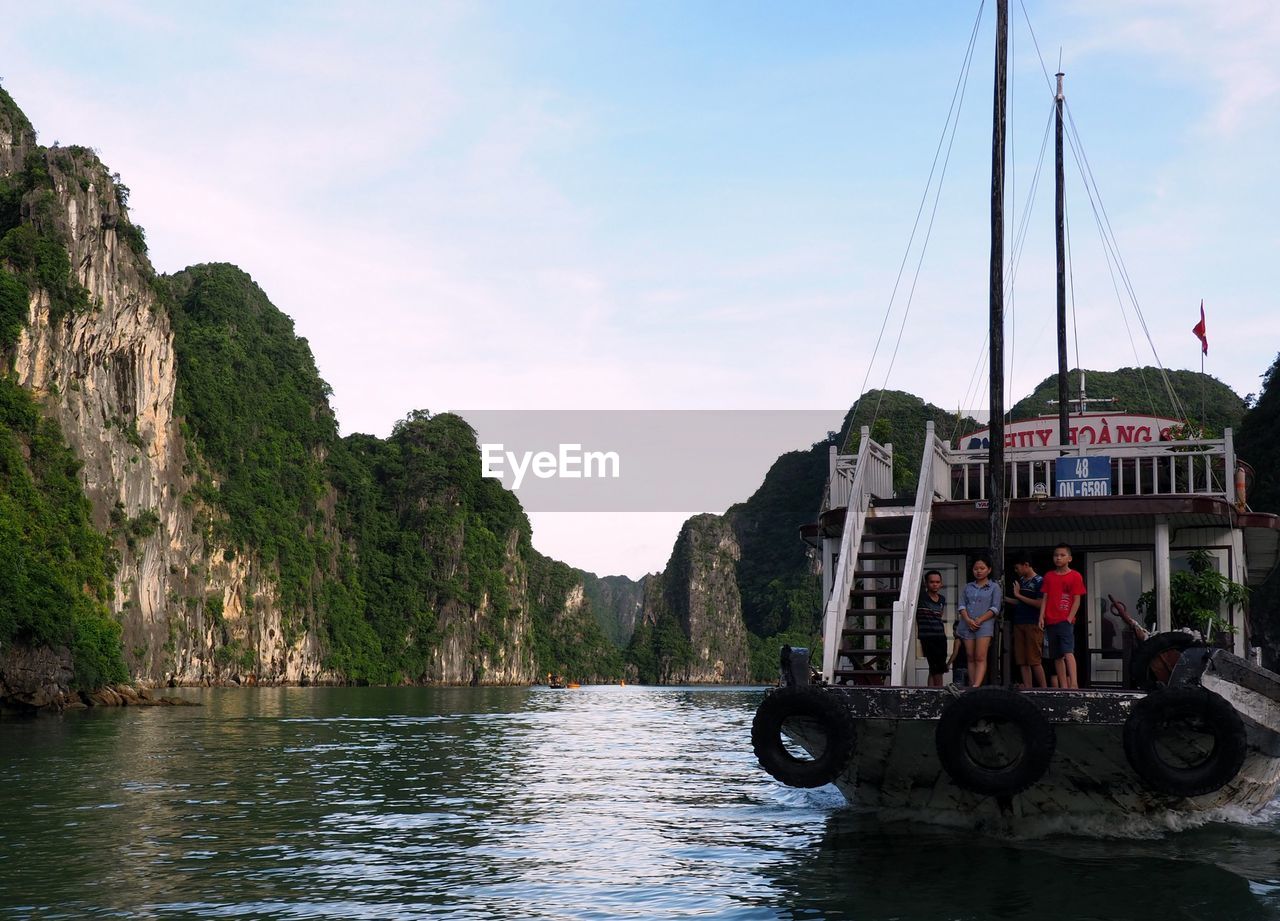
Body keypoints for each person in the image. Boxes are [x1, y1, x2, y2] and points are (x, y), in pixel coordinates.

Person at [1040, 543, 1086, 689]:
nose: (1058, 558)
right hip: (1050, 619)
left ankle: (1074, 683)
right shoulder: (1048, 576)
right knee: (1056, 655)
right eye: (1056, 555)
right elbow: (1045, 597)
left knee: (1068, 651)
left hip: (1065, 620)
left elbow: (1077, 599)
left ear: (1069, 558)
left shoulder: (1075, 576)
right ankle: (1063, 685)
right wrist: (1041, 616)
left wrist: (1069, 618)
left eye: (1062, 555)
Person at [956, 554, 1002, 688]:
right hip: (967, 624)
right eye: (976, 568)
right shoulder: (967, 587)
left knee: (980, 656)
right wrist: (968, 620)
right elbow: (961, 605)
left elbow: (995, 608)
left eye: (982, 568)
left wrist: (979, 620)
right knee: (970, 656)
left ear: (989, 569)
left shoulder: (994, 587)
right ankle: (971, 684)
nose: (979, 571)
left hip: (984, 625)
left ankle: (977, 685)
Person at [1005, 554, 1046, 688]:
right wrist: (1006, 599)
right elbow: (1020, 602)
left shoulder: (1040, 581)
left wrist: (1017, 595)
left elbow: (1039, 603)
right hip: (1019, 622)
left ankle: (1044, 689)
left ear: (1026, 565)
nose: (1016, 571)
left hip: (1033, 622)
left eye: (1017, 568)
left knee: (1034, 659)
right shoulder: (1022, 580)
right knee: (1022, 659)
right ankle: (1028, 688)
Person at [917, 570, 948, 687]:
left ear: (941, 583)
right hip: (927, 637)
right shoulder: (921, 597)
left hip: (940, 636)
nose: (935, 584)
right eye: (931, 582)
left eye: (937, 582)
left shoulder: (942, 599)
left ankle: (930, 692)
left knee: (935, 667)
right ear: (926, 583)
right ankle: (939, 691)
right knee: (937, 668)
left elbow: (940, 616)